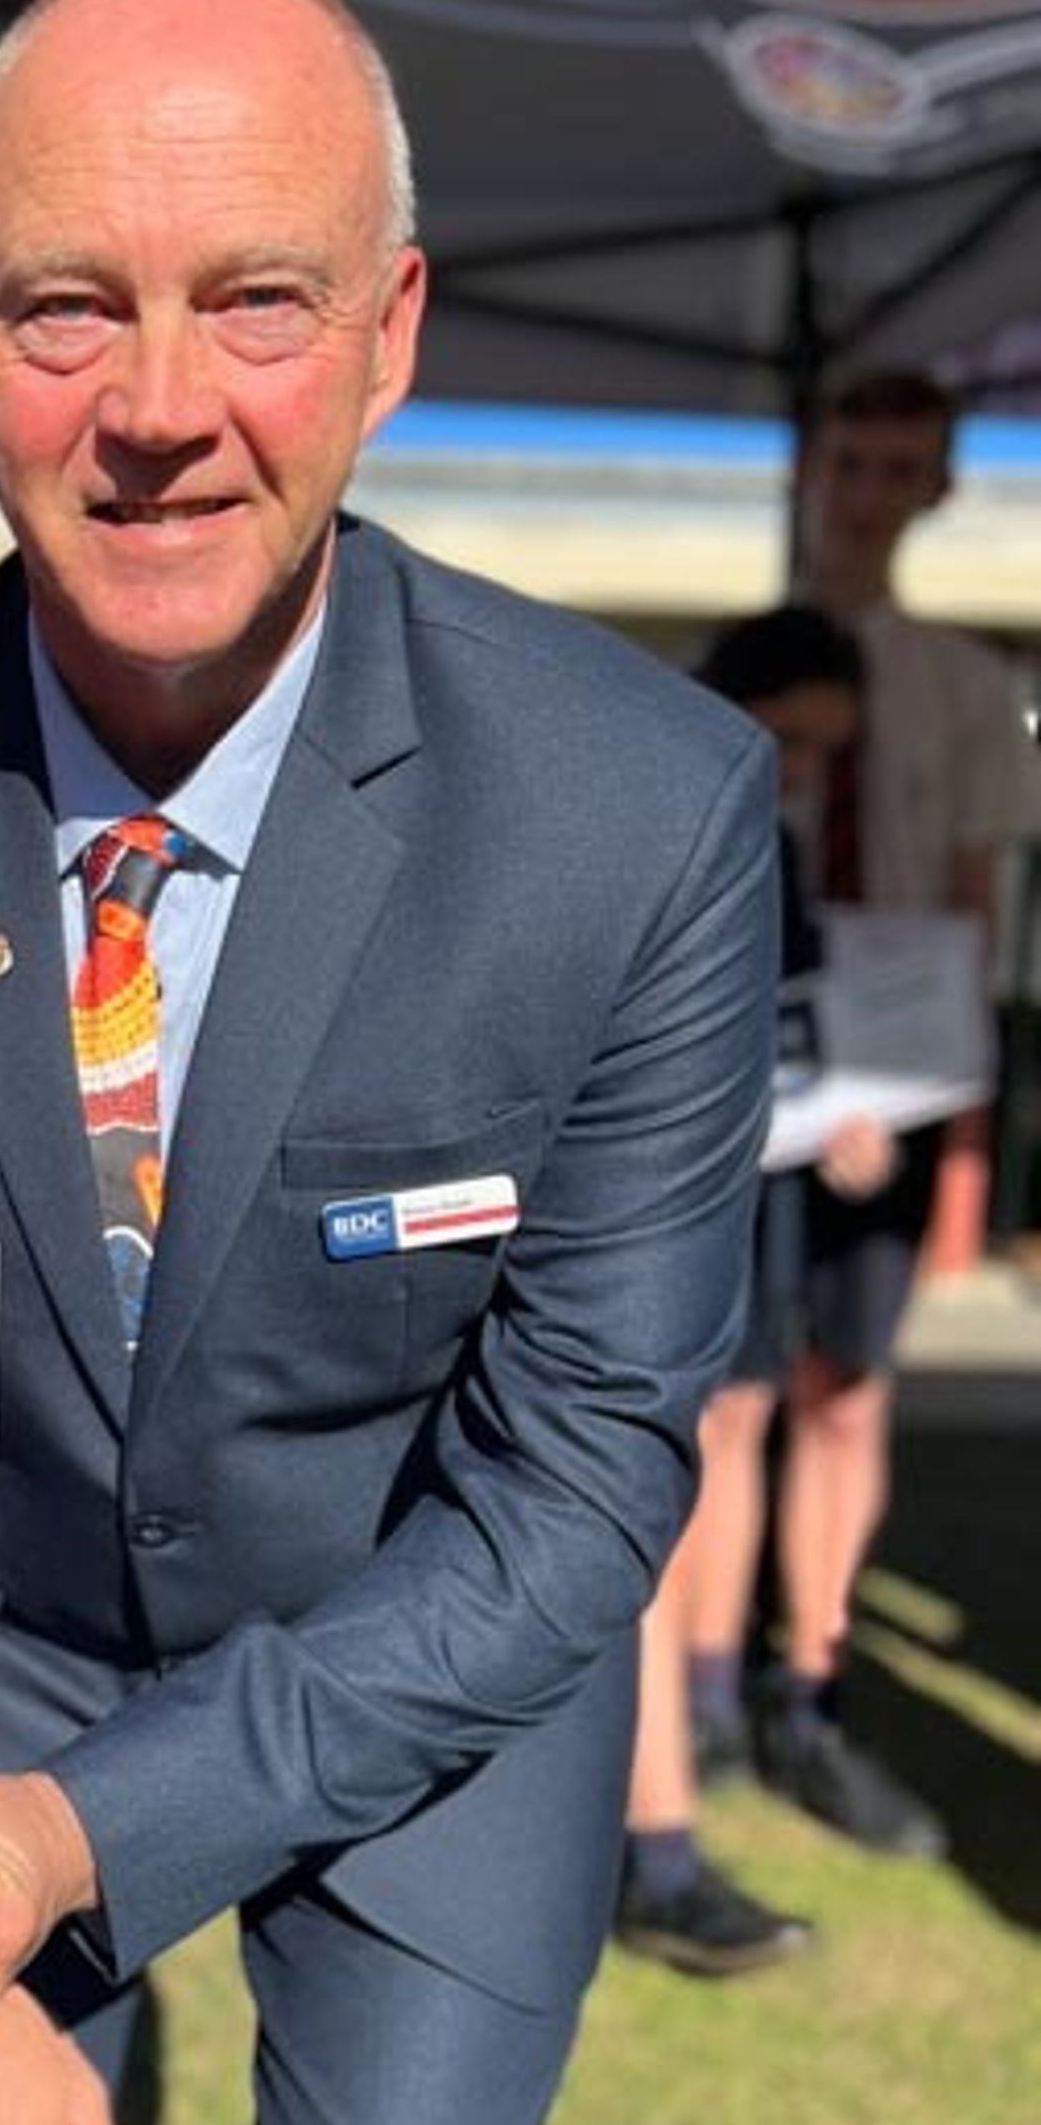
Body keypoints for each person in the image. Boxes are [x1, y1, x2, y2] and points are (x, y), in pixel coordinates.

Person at [0, 0, 782, 2125]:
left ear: (390, 335)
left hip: (425, 1652)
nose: (158, 407)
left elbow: (569, 1485)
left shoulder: (639, 814)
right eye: (66, 308)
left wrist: (83, 1839)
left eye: (258, 299)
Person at [728, 369, 1041, 1853]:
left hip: (897, 1089)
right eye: (847, 461)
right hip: (745, 1084)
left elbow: (974, 920)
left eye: (896, 468)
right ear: (811, 470)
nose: (864, 495)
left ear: (935, 488)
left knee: (847, 1392)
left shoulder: (967, 690)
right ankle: (703, 1691)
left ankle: (815, 1685)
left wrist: (961, 1143)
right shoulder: (735, 664)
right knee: (721, 1400)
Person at [614, 605, 892, 1976]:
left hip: (742, 1191)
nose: (800, 772)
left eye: (823, 755)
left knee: (729, 1431)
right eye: (785, 738)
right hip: (636, 1210)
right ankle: (654, 1847)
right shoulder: (650, 818)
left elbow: (784, 1032)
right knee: (639, 1484)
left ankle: (698, 1743)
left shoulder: (763, 840)